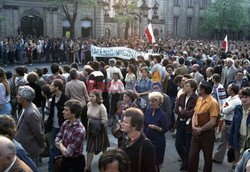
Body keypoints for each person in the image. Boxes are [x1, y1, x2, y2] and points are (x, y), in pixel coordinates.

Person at [188, 81, 220, 172]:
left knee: (207, 157)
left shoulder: (213, 102)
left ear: (203, 90)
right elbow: (195, 113)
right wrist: (194, 126)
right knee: (192, 156)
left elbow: (212, 122)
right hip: (196, 132)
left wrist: (201, 129)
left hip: (207, 133)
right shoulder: (199, 99)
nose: (197, 89)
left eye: (199, 88)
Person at [15, 86, 45, 166]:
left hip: (30, 151)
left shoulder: (31, 113)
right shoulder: (25, 108)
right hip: (25, 149)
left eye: (19, 95)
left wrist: (42, 145)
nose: (17, 96)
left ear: (25, 99)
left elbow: (38, 133)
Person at [121, 107, 158, 172]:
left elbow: (151, 169)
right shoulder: (126, 138)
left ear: (134, 126)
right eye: (123, 121)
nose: (122, 124)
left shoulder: (146, 145)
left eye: (125, 122)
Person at [213, 83, 241, 163]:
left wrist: (223, 109)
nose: (227, 90)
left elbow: (225, 110)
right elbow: (224, 108)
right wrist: (223, 109)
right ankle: (218, 158)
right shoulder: (229, 98)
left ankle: (236, 162)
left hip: (232, 124)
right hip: (226, 122)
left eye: (228, 88)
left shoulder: (236, 100)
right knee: (222, 141)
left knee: (233, 143)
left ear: (232, 91)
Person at [174, 79, 199, 171]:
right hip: (180, 122)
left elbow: (192, 113)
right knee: (178, 144)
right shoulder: (181, 96)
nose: (184, 87)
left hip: (189, 124)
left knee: (188, 146)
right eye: (184, 85)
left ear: (192, 88)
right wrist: (183, 112)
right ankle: (186, 161)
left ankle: (187, 164)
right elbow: (176, 110)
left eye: (187, 86)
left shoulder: (196, 99)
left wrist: (182, 111)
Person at [55, 99, 86, 172]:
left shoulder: (79, 130)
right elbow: (56, 139)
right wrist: (64, 147)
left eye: (66, 110)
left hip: (76, 163)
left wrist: (60, 144)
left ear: (73, 113)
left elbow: (67, 153)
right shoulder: (66, 123)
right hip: (65, 161)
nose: (63, 112)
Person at [47, 79, 69, 172]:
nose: (50, 87)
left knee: (63, 149)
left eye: (52, 85)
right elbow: (51, 113)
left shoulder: (65, 99)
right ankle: (52, 169)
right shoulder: (53, 97)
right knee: (53, 149)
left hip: (62, 127)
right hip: (54, 126)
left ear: (57, 87)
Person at [85, 89, 110, 172]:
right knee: (89, 148)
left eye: (92, 96)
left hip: (100, 130)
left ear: (97, 97)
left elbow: (104, 121)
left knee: (103, 148)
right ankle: (87, 167)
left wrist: (95, 123)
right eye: (90, 96)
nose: (90, 98)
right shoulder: (89, 104)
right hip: (91, 130)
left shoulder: (101, 107)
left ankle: (109, 162)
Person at [144, 92, 168, 168]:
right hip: (148, 139)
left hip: (158, 141)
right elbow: (144, 124)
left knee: (157, 162)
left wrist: (155, 127)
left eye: (153, 101)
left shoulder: (162, 114)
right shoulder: (148, 110)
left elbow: (165, 129)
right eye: (150, 101)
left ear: (158, 102)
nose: (151, 103)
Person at [228, 87, 250, 166]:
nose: (244, 99)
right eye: (242, 97)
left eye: (246, 97)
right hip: (238, 138)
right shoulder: (238, 108)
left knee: (246, 164)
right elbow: (233, 126)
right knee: (237, 163)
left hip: (248, 140)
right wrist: (230, 142)